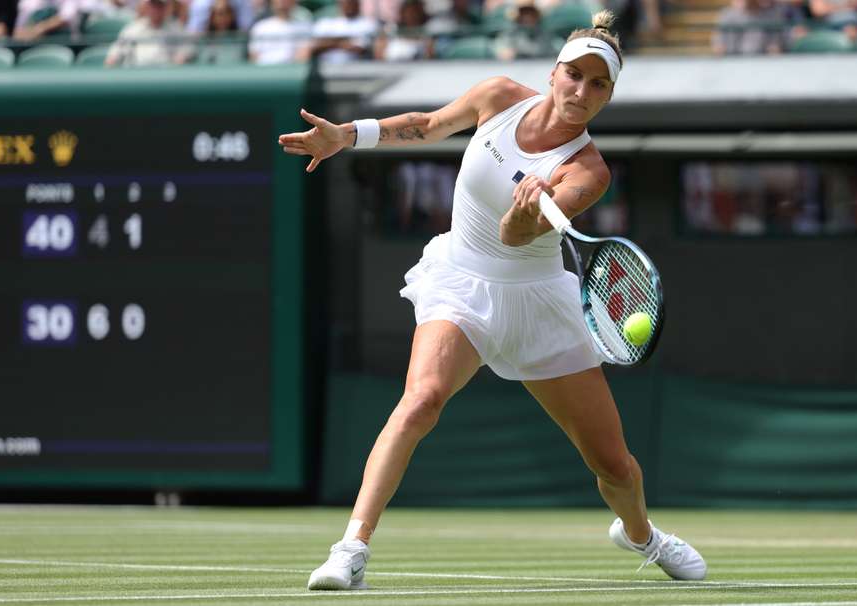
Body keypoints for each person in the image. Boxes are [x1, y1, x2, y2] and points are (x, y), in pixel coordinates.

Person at [278, 9, 707, 591]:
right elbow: (428, 124)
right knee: (421, 400)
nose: (581, 91)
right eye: (573, 75)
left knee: (614, 465)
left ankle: (641, 535)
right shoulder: (499, 96)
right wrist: (349, 135)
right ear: (554, 73)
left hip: (538, 305)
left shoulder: (587, 171)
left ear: (607, 97)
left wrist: (527, 208)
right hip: (461, 283)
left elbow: (514, 237)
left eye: (597, 84)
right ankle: (350, 548)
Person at [105, 0, 194, 65]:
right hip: (135, 78)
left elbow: (187, 49)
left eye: (160, 5)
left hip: (166, 80)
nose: (156, 9)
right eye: (153, 5)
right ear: (147, 7)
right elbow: (113, 56)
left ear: (167, 8)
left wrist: (181, 58)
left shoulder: (176, 29)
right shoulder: (133, 28)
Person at [247, 0, 311, 64]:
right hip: (264, 70)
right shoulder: (260, 27)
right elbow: (254, 56)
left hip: (291, 70)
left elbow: (303, 54)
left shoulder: (304, 27)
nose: (282, 2)